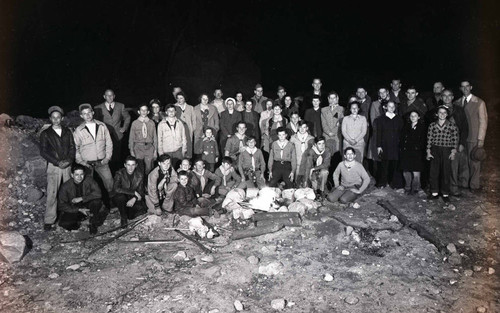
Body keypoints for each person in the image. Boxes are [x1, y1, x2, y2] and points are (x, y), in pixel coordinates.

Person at [40, 106, 75, 231]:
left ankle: (69, 218)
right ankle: (49, 220)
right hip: (54, 166)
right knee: (52, 193)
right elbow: (43, 151)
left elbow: (72, 147)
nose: (56, 120)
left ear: (62, 118)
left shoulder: (67, 131)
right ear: (50, 119)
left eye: (58, 117)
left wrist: (69, 160)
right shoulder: (46, 133)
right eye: (53, 117)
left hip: (67, 166)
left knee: (68, 192)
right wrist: (56, 162)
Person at [73, 103, 114, 205]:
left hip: (102, 161)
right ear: (81, 116)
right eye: (84, 114)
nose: (88, 115)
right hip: (87, 163)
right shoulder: (79, 130)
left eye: (89, 112)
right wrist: (81, 162)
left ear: (93, 112)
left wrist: (107, 158)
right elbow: (75, 148)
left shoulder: (102, 126)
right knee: (87, 186)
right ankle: (90, 208)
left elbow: (109, 142)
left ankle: (112, 205)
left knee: (109, 183)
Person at [58, 164, 108, 234]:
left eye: (81, 174)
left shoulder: (89, 180)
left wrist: (82, 198)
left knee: (96, 202)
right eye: (76, 175)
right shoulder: (65, 186)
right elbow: (61, 205)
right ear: (72, 175)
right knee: (65, 224)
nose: (79, 177)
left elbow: (98, 194)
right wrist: (78, 210)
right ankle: (81, 219)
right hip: (74, 209)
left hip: (87, 206)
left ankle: (92, 223)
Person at [426, 106, 459, 203]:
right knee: (434, 171)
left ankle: (445, 193)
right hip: (435, 149)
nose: (442, 114)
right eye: (440, 112)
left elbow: (455, 140)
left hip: (446, 150)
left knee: (446, 172)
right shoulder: (432, 125)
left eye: (444, 112)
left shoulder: (452, 126)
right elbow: (429, 139)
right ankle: (434, 192)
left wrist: (453, 152)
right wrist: (428, 151)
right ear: (437, 114)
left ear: (447, 114)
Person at [460, 80, 488, 191]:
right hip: (462, 137)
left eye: (467, 86)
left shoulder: (479, 102)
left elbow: (483, 121)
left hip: (474, 136)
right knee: (463, 162)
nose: (465, 88)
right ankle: (464, 183)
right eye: (463, 87)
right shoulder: (457, 102)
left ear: (471, 87)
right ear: (460, 89)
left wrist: (480, 139)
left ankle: (474, 185)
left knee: (475, 162)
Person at [93, 89, 131, 173]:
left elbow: (127, 117)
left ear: (114, 96)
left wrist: (124, 127)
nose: (109, 97)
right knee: (106, 156)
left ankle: (117, 175)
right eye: (107, 95)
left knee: (117, 157)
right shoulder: (97, 108)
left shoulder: (121, 106)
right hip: (104, 136)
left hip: (117, 135)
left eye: (111, 95)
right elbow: (96, 122)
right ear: (104, 96)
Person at [375, 101, 404, 188]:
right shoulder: (380, 119)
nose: (391, 108)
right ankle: (382, 182)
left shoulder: (399, 119)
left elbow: (401, 132)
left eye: (393, 106)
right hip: (385, 145)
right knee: (384, 164)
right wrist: (379, 146)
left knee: (395, 165)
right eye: (389, 106)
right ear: (385, 107)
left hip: (395, 145)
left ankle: (395, 183)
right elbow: (378, 133)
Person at [113, 156, 147, 227]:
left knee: (131, 216)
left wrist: (134, 198)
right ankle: (123, 218)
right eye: (128, 165)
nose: (130, 167)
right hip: (122, 196)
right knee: (120, 198)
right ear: (125, 165)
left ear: (136, 165)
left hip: (132, 197)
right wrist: (133, 192)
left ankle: (126, 211)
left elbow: (141, 191)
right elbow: (116, 188)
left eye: (133, 165)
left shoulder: (139, 175)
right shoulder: (119, 173)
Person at [447, 89, 469, 196]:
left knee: (459, 165)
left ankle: (460, 186)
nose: (447, 98)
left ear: (452, 97)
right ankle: (451, 188)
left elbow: (465, 127)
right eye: (444, 96)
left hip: (457, 141)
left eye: (449, 96)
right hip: (444, 143)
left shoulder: (459, 110)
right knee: (450, 166)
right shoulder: (438, 110)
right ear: (441, 97)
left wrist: (461, 143)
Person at [400, 110, 426, 195]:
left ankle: (415, 188)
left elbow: (423, 140)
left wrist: (418, 148)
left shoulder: (422, 127)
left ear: (418, 117)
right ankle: (407, 187)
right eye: (411, 115)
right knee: (406, 171)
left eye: (415, 115)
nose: (413, 117)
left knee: (416, 172)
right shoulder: (406, 126)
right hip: (406, 152)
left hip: (416, 153)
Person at [129, 103, 157, 176]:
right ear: (139, 112)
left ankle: (148, 186)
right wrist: (131, 150)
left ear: (148, 112)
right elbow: (131, 138)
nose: (144, 112)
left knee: (149, 169)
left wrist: (155, 151)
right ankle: (140, 186)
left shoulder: (152, 123)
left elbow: (155, 138)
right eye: (142, 110)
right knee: (139, 169)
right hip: (138, 147)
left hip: (149, 147)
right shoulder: (134, 123)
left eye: (145, 110)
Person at [366, 89, 390, 176]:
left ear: (387, 93)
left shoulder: (391, 103)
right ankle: (377, 177)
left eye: (384, 92)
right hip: (378, 133)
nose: (383, 94)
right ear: (378, 94)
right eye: (381, 92)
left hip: (389, 134)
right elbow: (373, 121)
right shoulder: (374, 104)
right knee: (376, 156)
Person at [321, 91, 344, 165]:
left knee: (336, 156)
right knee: (327, 155)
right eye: (331, 98)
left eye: (334, 98)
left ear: (337, 98)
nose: (332, 100)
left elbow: (340, 123)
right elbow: (323, 123)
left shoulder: (341, 109)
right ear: (328, 99)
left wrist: (333, 132)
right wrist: (328, 132)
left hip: (337, 136)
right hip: (327, 136)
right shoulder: (324, 110)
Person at [290, 121, 315, 186]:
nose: (302, 129)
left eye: (304, 127)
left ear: (307, 128)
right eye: (300, 127)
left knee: (307, 183)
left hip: (307, 164)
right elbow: (290, 151)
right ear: (298, 127)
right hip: (298, 163)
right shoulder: (293, 138)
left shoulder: (311, 138)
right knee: (297, 183)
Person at [175, 92, 196, 158]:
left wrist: (192, 129)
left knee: (188, 149)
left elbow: (194, 120)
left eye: (181, 98)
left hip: (188, 131)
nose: (179, 100)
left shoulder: (190, 108)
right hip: (178, 131)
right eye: (178, 98)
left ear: (185, 99)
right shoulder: (174, 107)